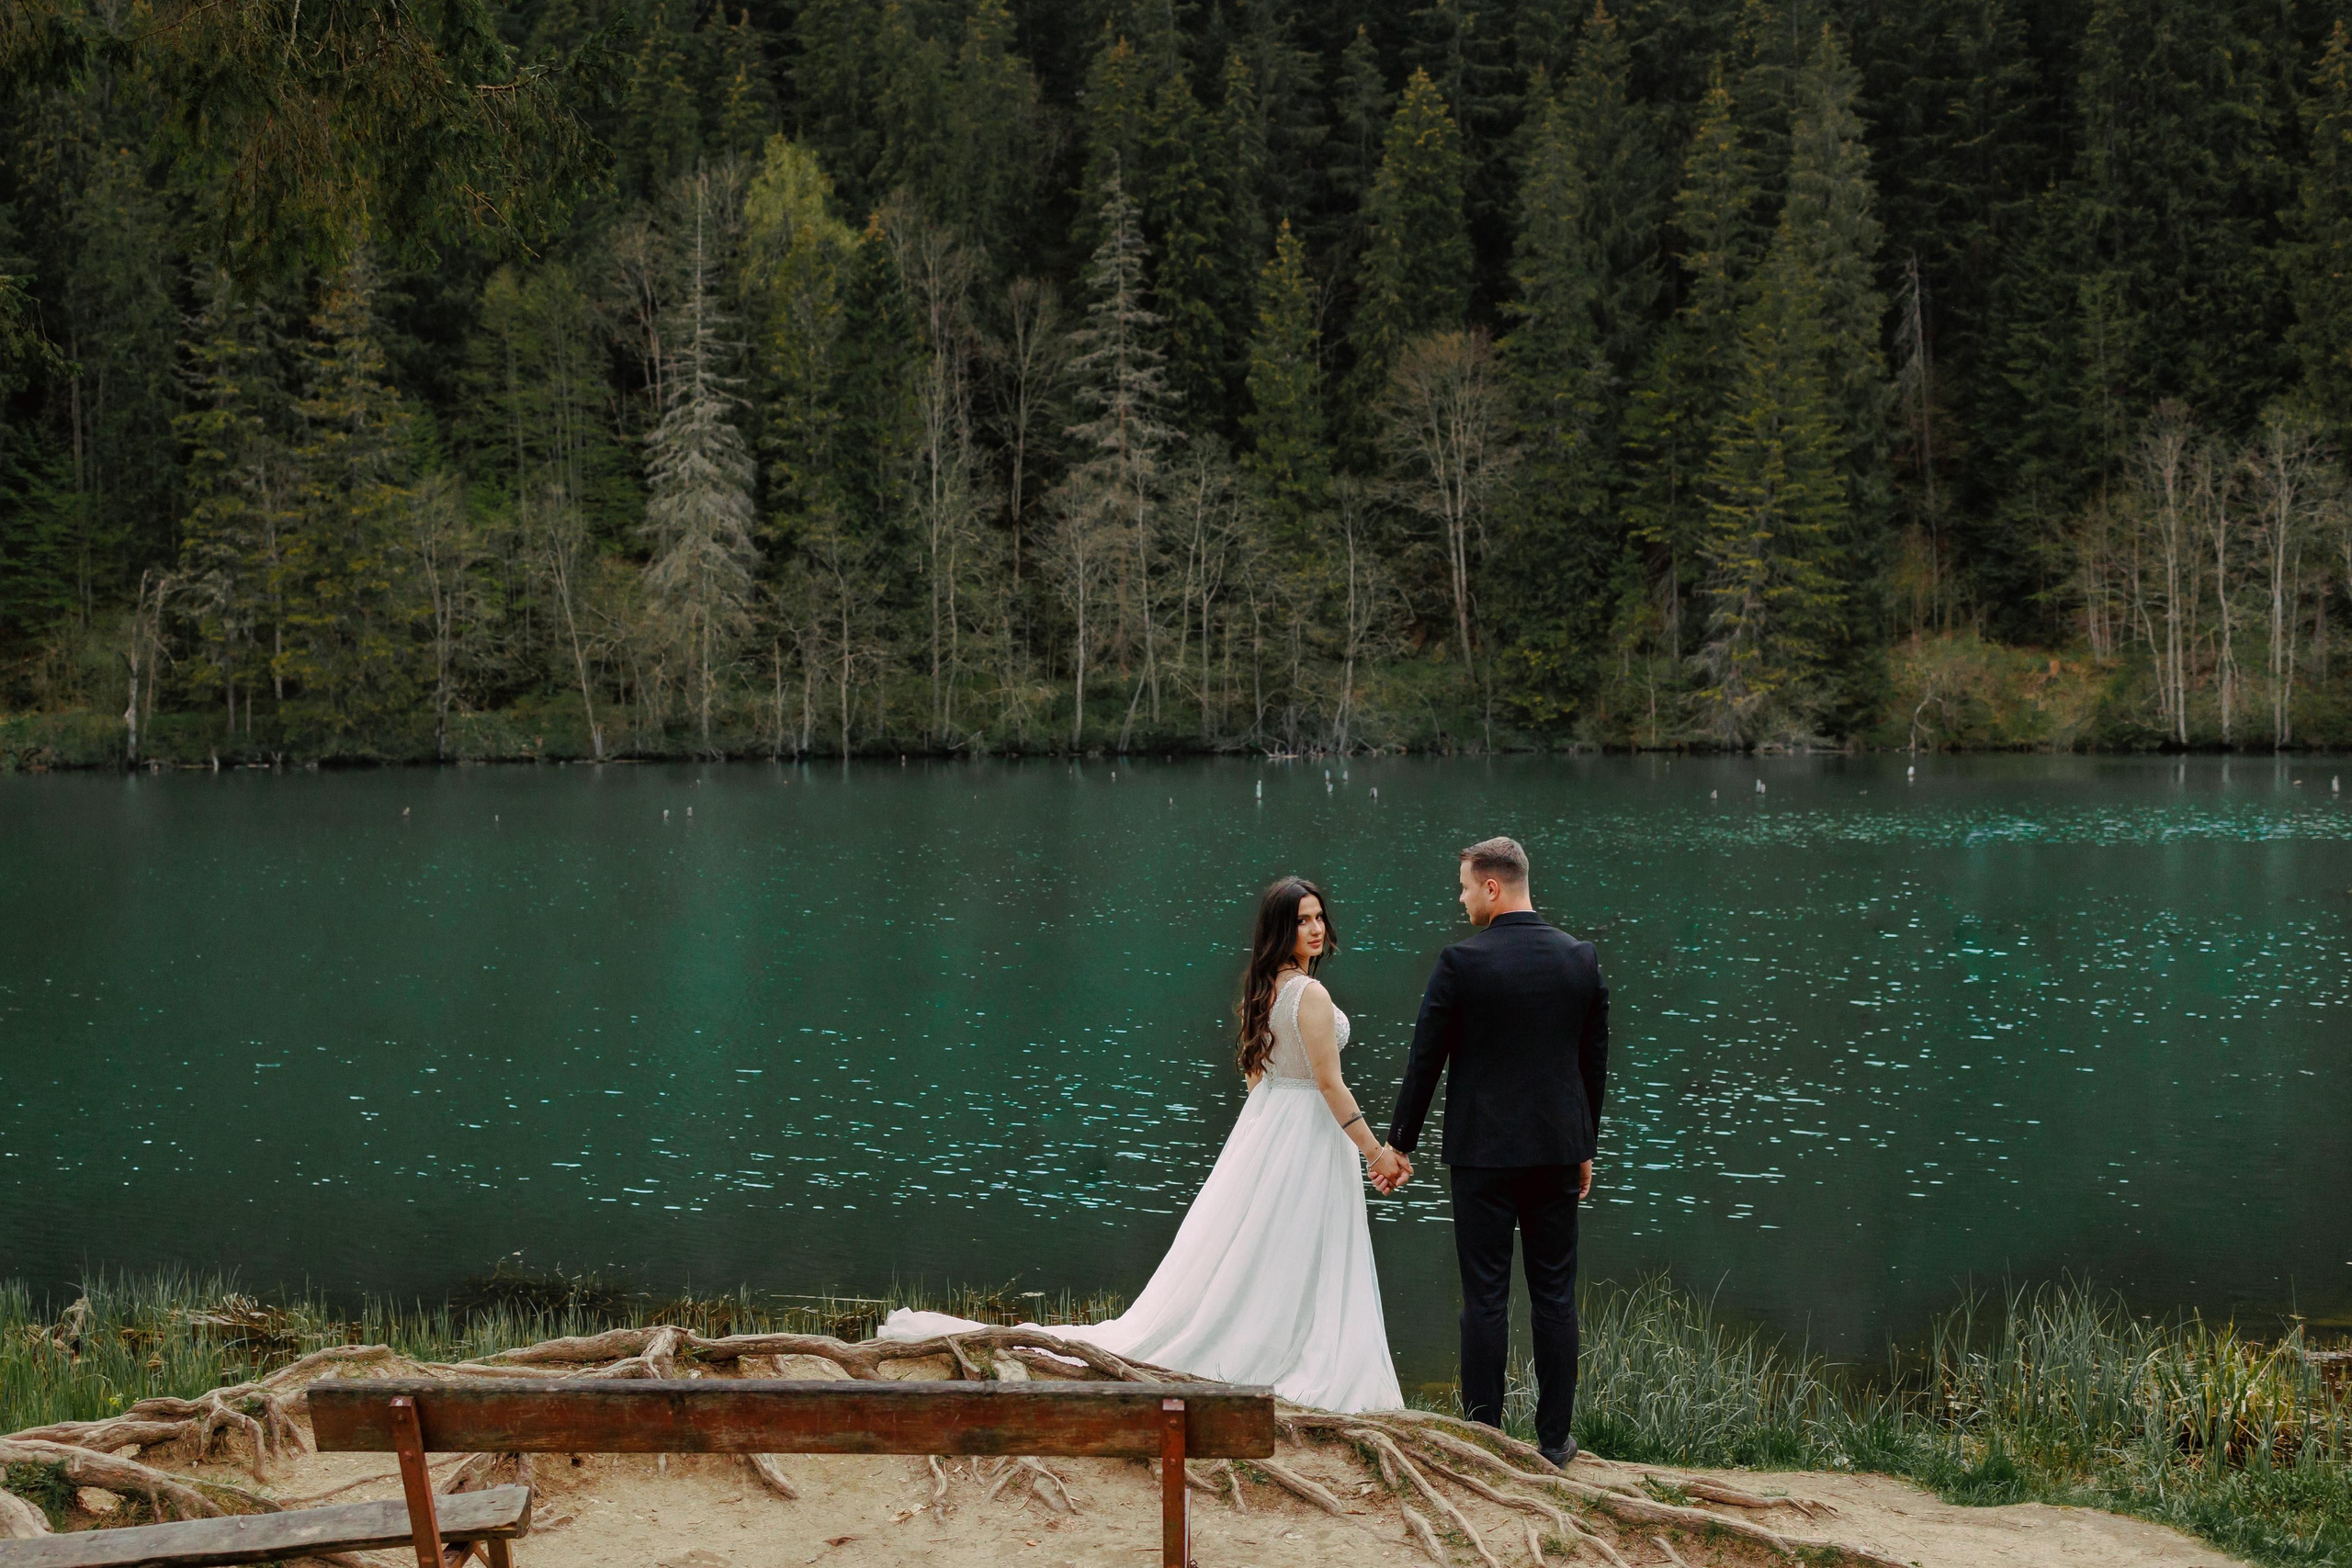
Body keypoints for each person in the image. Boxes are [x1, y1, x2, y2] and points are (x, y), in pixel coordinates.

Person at [878, 875, 1405, 1413]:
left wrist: (1263, 1140)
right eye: (1302, 921)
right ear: (1279, 929)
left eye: (1318, 917)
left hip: (1272, 1130)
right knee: (1297, 1251)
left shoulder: (1263, 988)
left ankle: (1267, 1344)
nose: (1315, 929)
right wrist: (1375, 1152)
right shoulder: (1310, 994)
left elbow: (1257, 1078)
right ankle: (1290, 1352)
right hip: (1309, 1137)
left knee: (1268, 1250)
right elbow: (1329, 1083)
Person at [1382, 837, 1609, 1467]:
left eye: (1463, 886)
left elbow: (1425, 1060)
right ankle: (1555, 1442)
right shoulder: (1579, 959)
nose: (1459, 898)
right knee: (1554, 1295)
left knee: (1485, 1296)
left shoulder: (1462, 962)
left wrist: (1399, 1142)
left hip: (1483, 1155)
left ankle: (1485, 1437)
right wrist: (1584, 1144)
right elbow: (1594, 1062)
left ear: (1491, 886)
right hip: (1558, 1152)